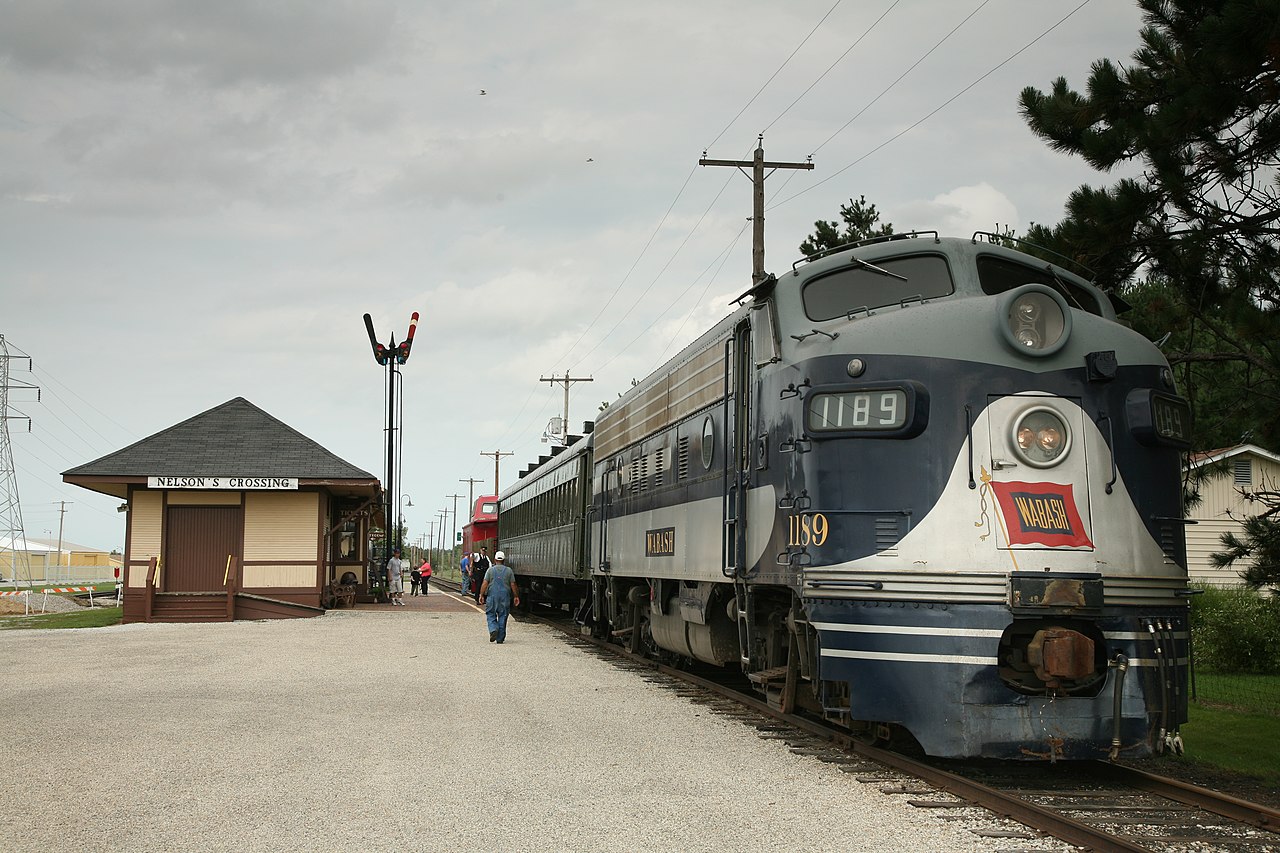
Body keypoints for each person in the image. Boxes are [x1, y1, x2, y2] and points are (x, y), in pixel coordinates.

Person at [479, 550, 519, 643]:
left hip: (492, 597)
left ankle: (493, 629)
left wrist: (481, 595)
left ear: (495, 560)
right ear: (504, 560)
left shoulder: (490, 570)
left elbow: (485, 583)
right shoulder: (509, 571)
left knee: (490, 614)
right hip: (505, 597)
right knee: (503, 616)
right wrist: (516, 596)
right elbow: (513, 584)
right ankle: (500, 638)